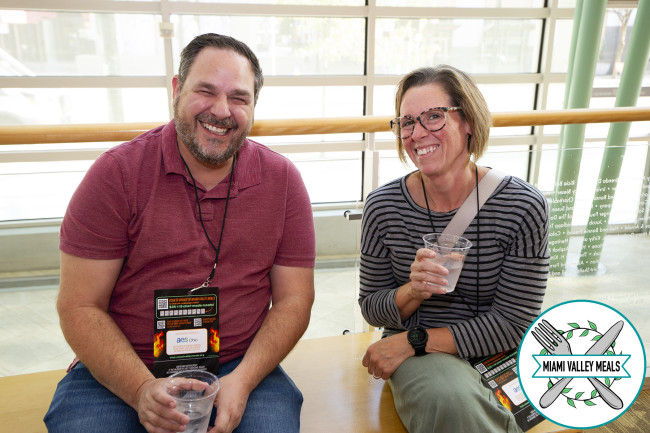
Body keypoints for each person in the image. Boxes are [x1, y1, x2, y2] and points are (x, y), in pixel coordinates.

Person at [44, 33, 316, 433]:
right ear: (176, 89)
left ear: (254, 105)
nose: (221, 110)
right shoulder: (116, 174)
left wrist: (242, 380)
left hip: (239, 364)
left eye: (239, 98)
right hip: (126, 364)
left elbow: (295, 300)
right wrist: (139, 389)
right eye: (206, 91)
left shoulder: (283, 181)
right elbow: (79, 306)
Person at [359, 65, 549, 433]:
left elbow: (516, 323)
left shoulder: (522, 205)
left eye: (434, 116)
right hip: (425, 361)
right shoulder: (383, 206)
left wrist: (413, 341)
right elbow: (372, 307)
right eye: (407, 122)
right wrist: (413, 291)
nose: (417, 133)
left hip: (494, 352)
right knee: (451, 399)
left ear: (469, 122)